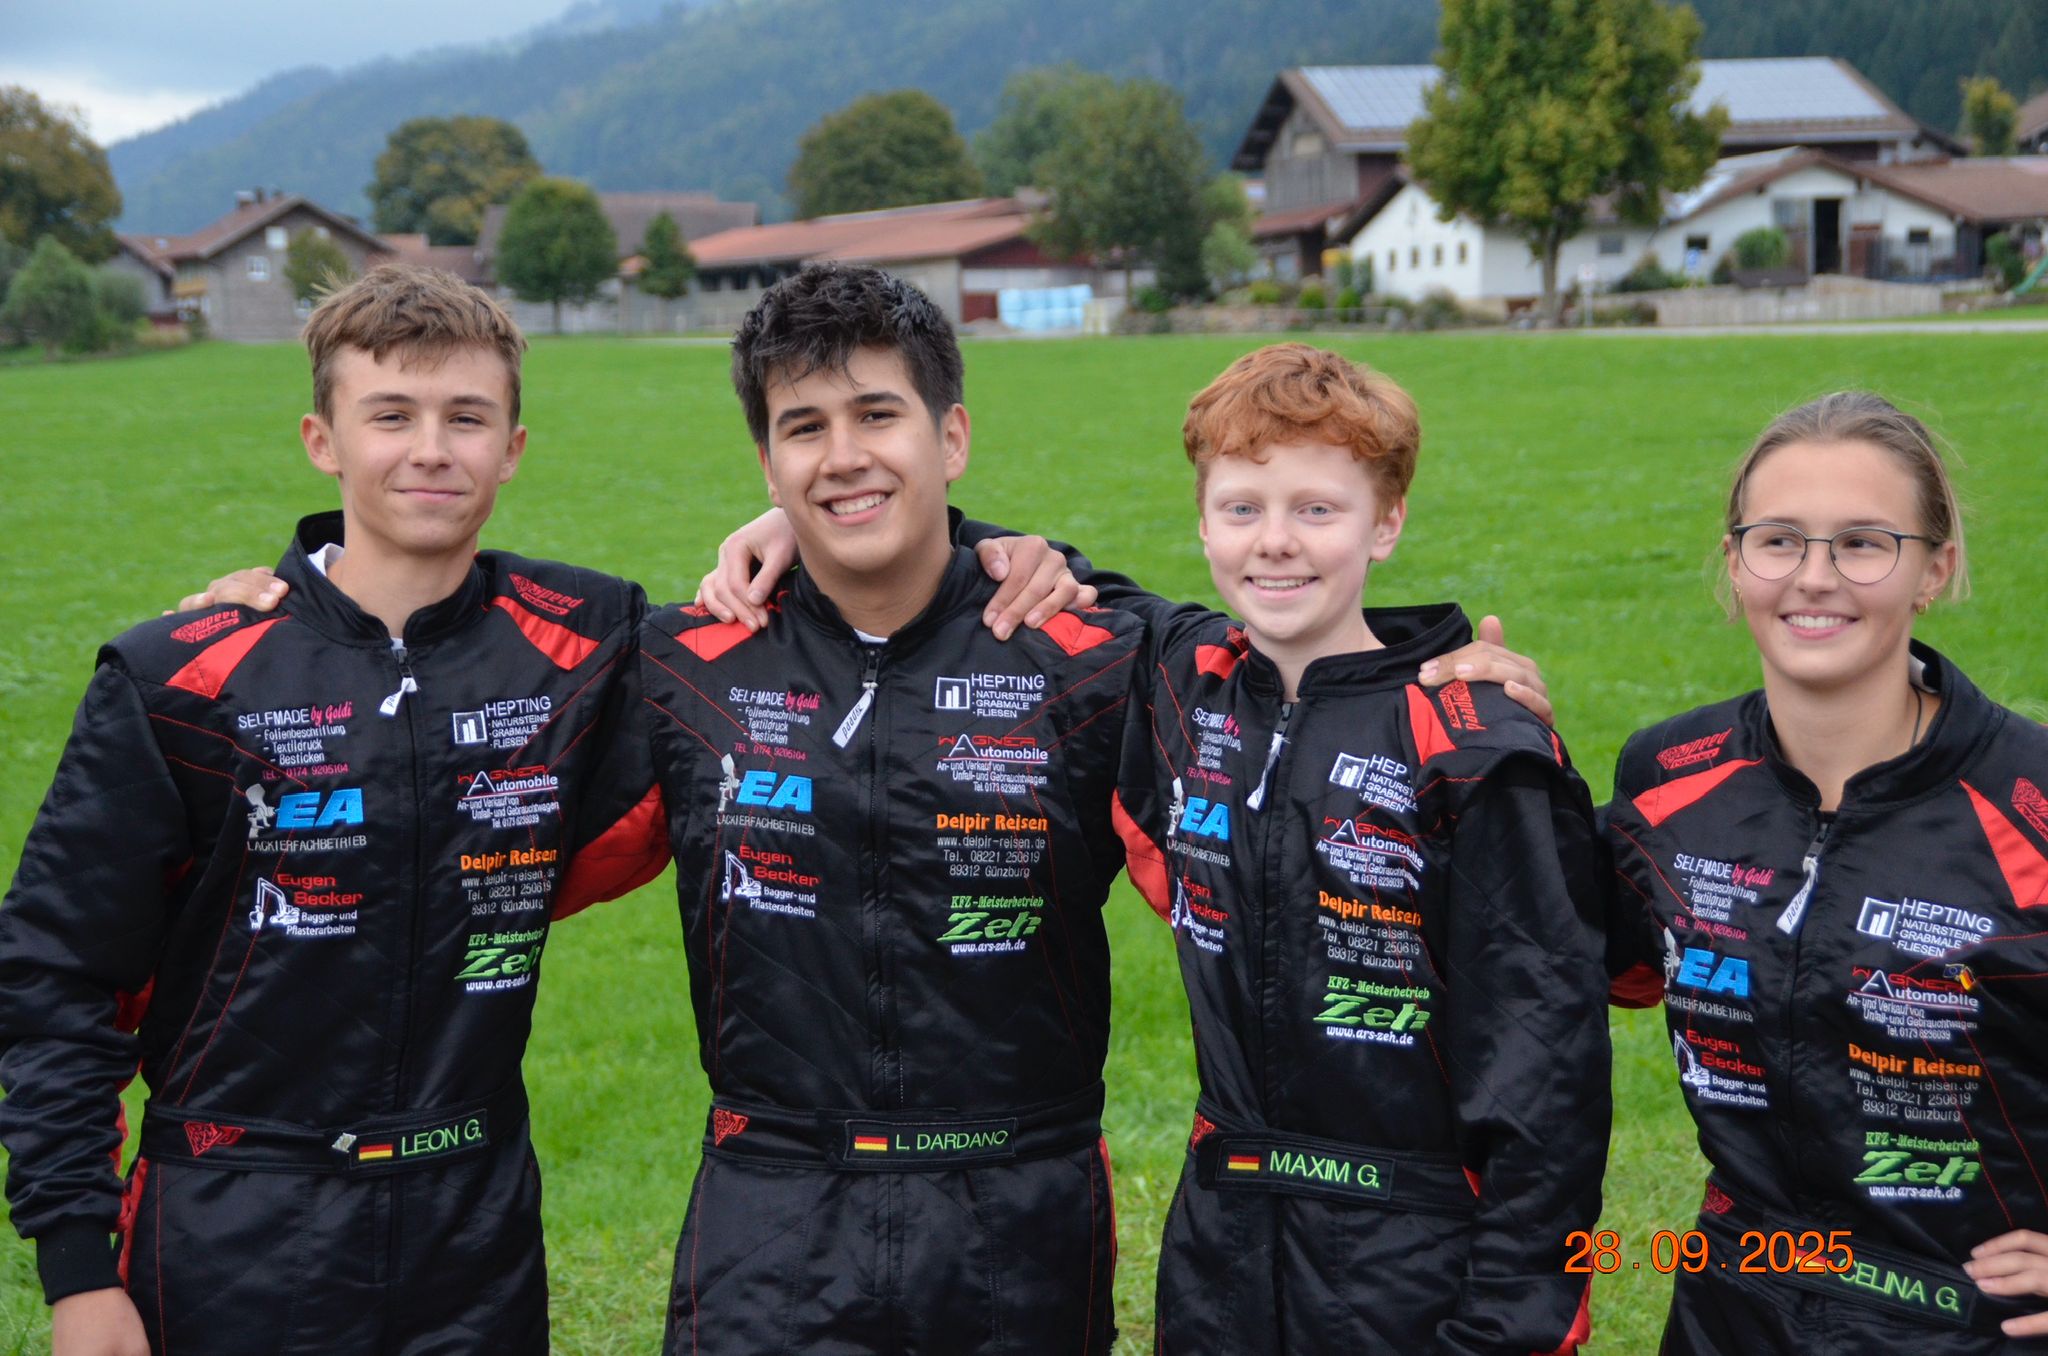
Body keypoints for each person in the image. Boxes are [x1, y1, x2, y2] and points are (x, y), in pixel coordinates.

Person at [705, 341, 1607, 1353]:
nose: (1276, 542)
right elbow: (1025, 571)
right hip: (1222, 1251)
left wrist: (1510, 1323)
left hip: (1416, 1254)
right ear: (1202, 521)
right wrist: (803, 521)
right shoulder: (1177, 674)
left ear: (1385, 521)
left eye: (1318, 509)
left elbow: (1546, 1073)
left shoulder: (1472, 744)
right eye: (1242, 508)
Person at [0, 266, 661, 1355]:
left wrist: (792, 530)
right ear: (323, 440)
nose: (431, 449)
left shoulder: (592, 639)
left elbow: (823, 640)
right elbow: (56, 972)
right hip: (232, 1225)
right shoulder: (179, 677)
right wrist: (78, 1267)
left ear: (512, 448)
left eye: (466, 418)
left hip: (473, 1230)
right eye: (390, 415)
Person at [1606, 391, 2048, 1350]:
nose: (1815, 577)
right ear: (1735, 562)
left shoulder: (2032, 803)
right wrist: (1490, 727)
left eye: (1862, 543)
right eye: (1779, 541)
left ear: (1935, 569)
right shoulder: (1667, 777)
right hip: (1734, 1309)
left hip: (1966, 1323)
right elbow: (1536, 960)